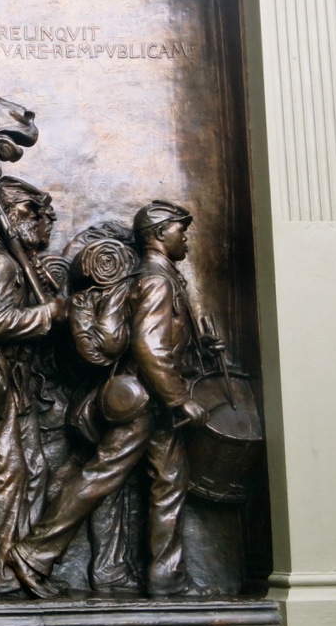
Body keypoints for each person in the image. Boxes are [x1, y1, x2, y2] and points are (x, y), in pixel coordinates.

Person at [11, 200, 215, 598]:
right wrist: (176, 399)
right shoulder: (155, 279)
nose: (185, 237)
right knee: (105, 476)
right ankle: (34, 553)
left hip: (152, 401)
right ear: (158, 235)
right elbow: (149, 346)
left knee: (167, 482)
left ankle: (166, 578)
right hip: (147, 401)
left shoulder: (162, 277)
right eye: (179, 229)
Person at [0, 177, 66, 596]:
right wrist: (49, 313)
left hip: (17, 383)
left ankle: (19, 563)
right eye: (33, 211)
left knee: (37, 470)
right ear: (8, 214)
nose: (46, 220)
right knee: (8, 475)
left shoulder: (18, 262)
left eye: (48, 213)